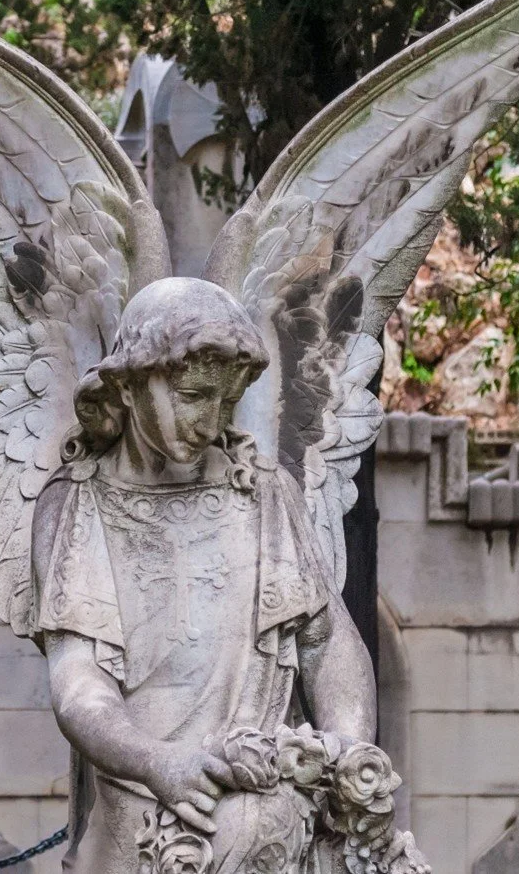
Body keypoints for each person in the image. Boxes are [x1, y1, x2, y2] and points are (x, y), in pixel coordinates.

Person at [32, 278, 376, 873]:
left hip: (269, 824)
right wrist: (156, 763)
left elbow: (326, 641)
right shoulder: (79, 503)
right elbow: (79, 680)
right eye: (193, 396)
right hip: (142, 823)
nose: (211, 420)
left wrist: (347, 749)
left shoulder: (264, 493)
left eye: (227, 401)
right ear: (129, 384)